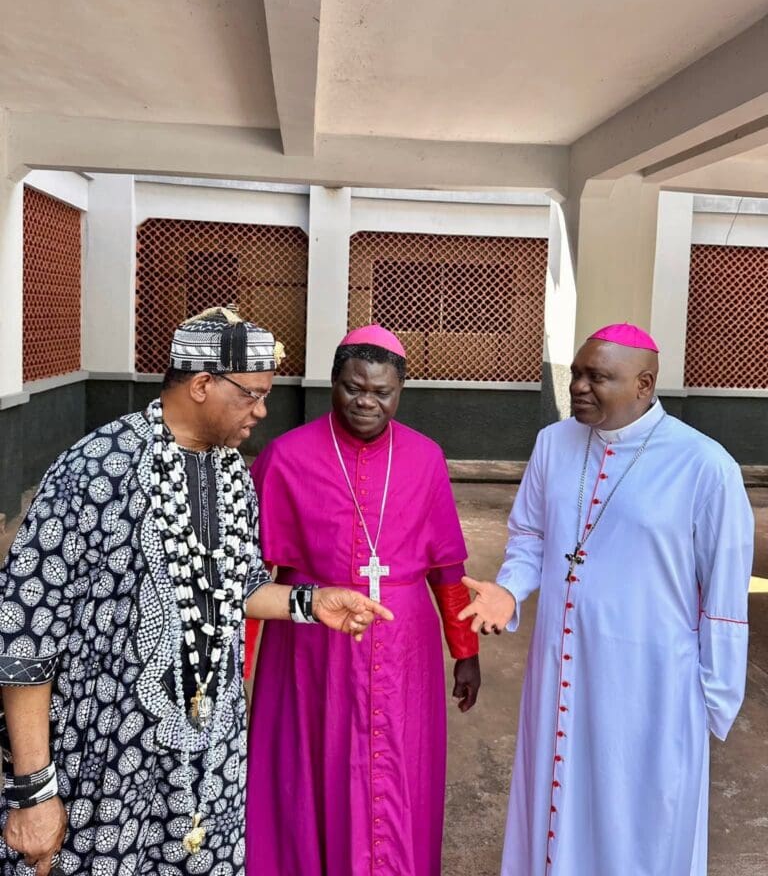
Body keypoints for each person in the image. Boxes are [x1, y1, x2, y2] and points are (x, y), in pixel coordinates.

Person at [0, 307, 391, 876]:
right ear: (203, 384)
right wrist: (34, 791)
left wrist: (309, 603)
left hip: (211, 769)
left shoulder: (231, 472)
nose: (263, 410)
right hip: (105, 769)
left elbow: (229, 588)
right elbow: (25, 632)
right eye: (253, 394)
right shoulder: (95, 468)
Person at [459, 323, 754, 876]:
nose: (579, 387)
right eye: (576, 373)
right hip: (560, 667)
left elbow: (724, 597)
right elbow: (530, 535)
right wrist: (510, 587)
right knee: (554, 800)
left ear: (644, 384)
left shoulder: (704, 466)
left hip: (654, 685)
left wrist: (710, 699)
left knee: (638, 823)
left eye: (599, 377)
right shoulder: (554, 443)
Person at [245, 324, 481, 876]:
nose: (367, 402)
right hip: (309, 644)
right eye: (354, 388)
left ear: (401, 391)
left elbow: (448, 565)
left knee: (398, 770)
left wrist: (465, 651)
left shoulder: (425, 458)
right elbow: (257, 573)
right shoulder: (284, 456)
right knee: (310, 769)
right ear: (333, 383)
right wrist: (241, 664)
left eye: (382, 392)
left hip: (405, 647)